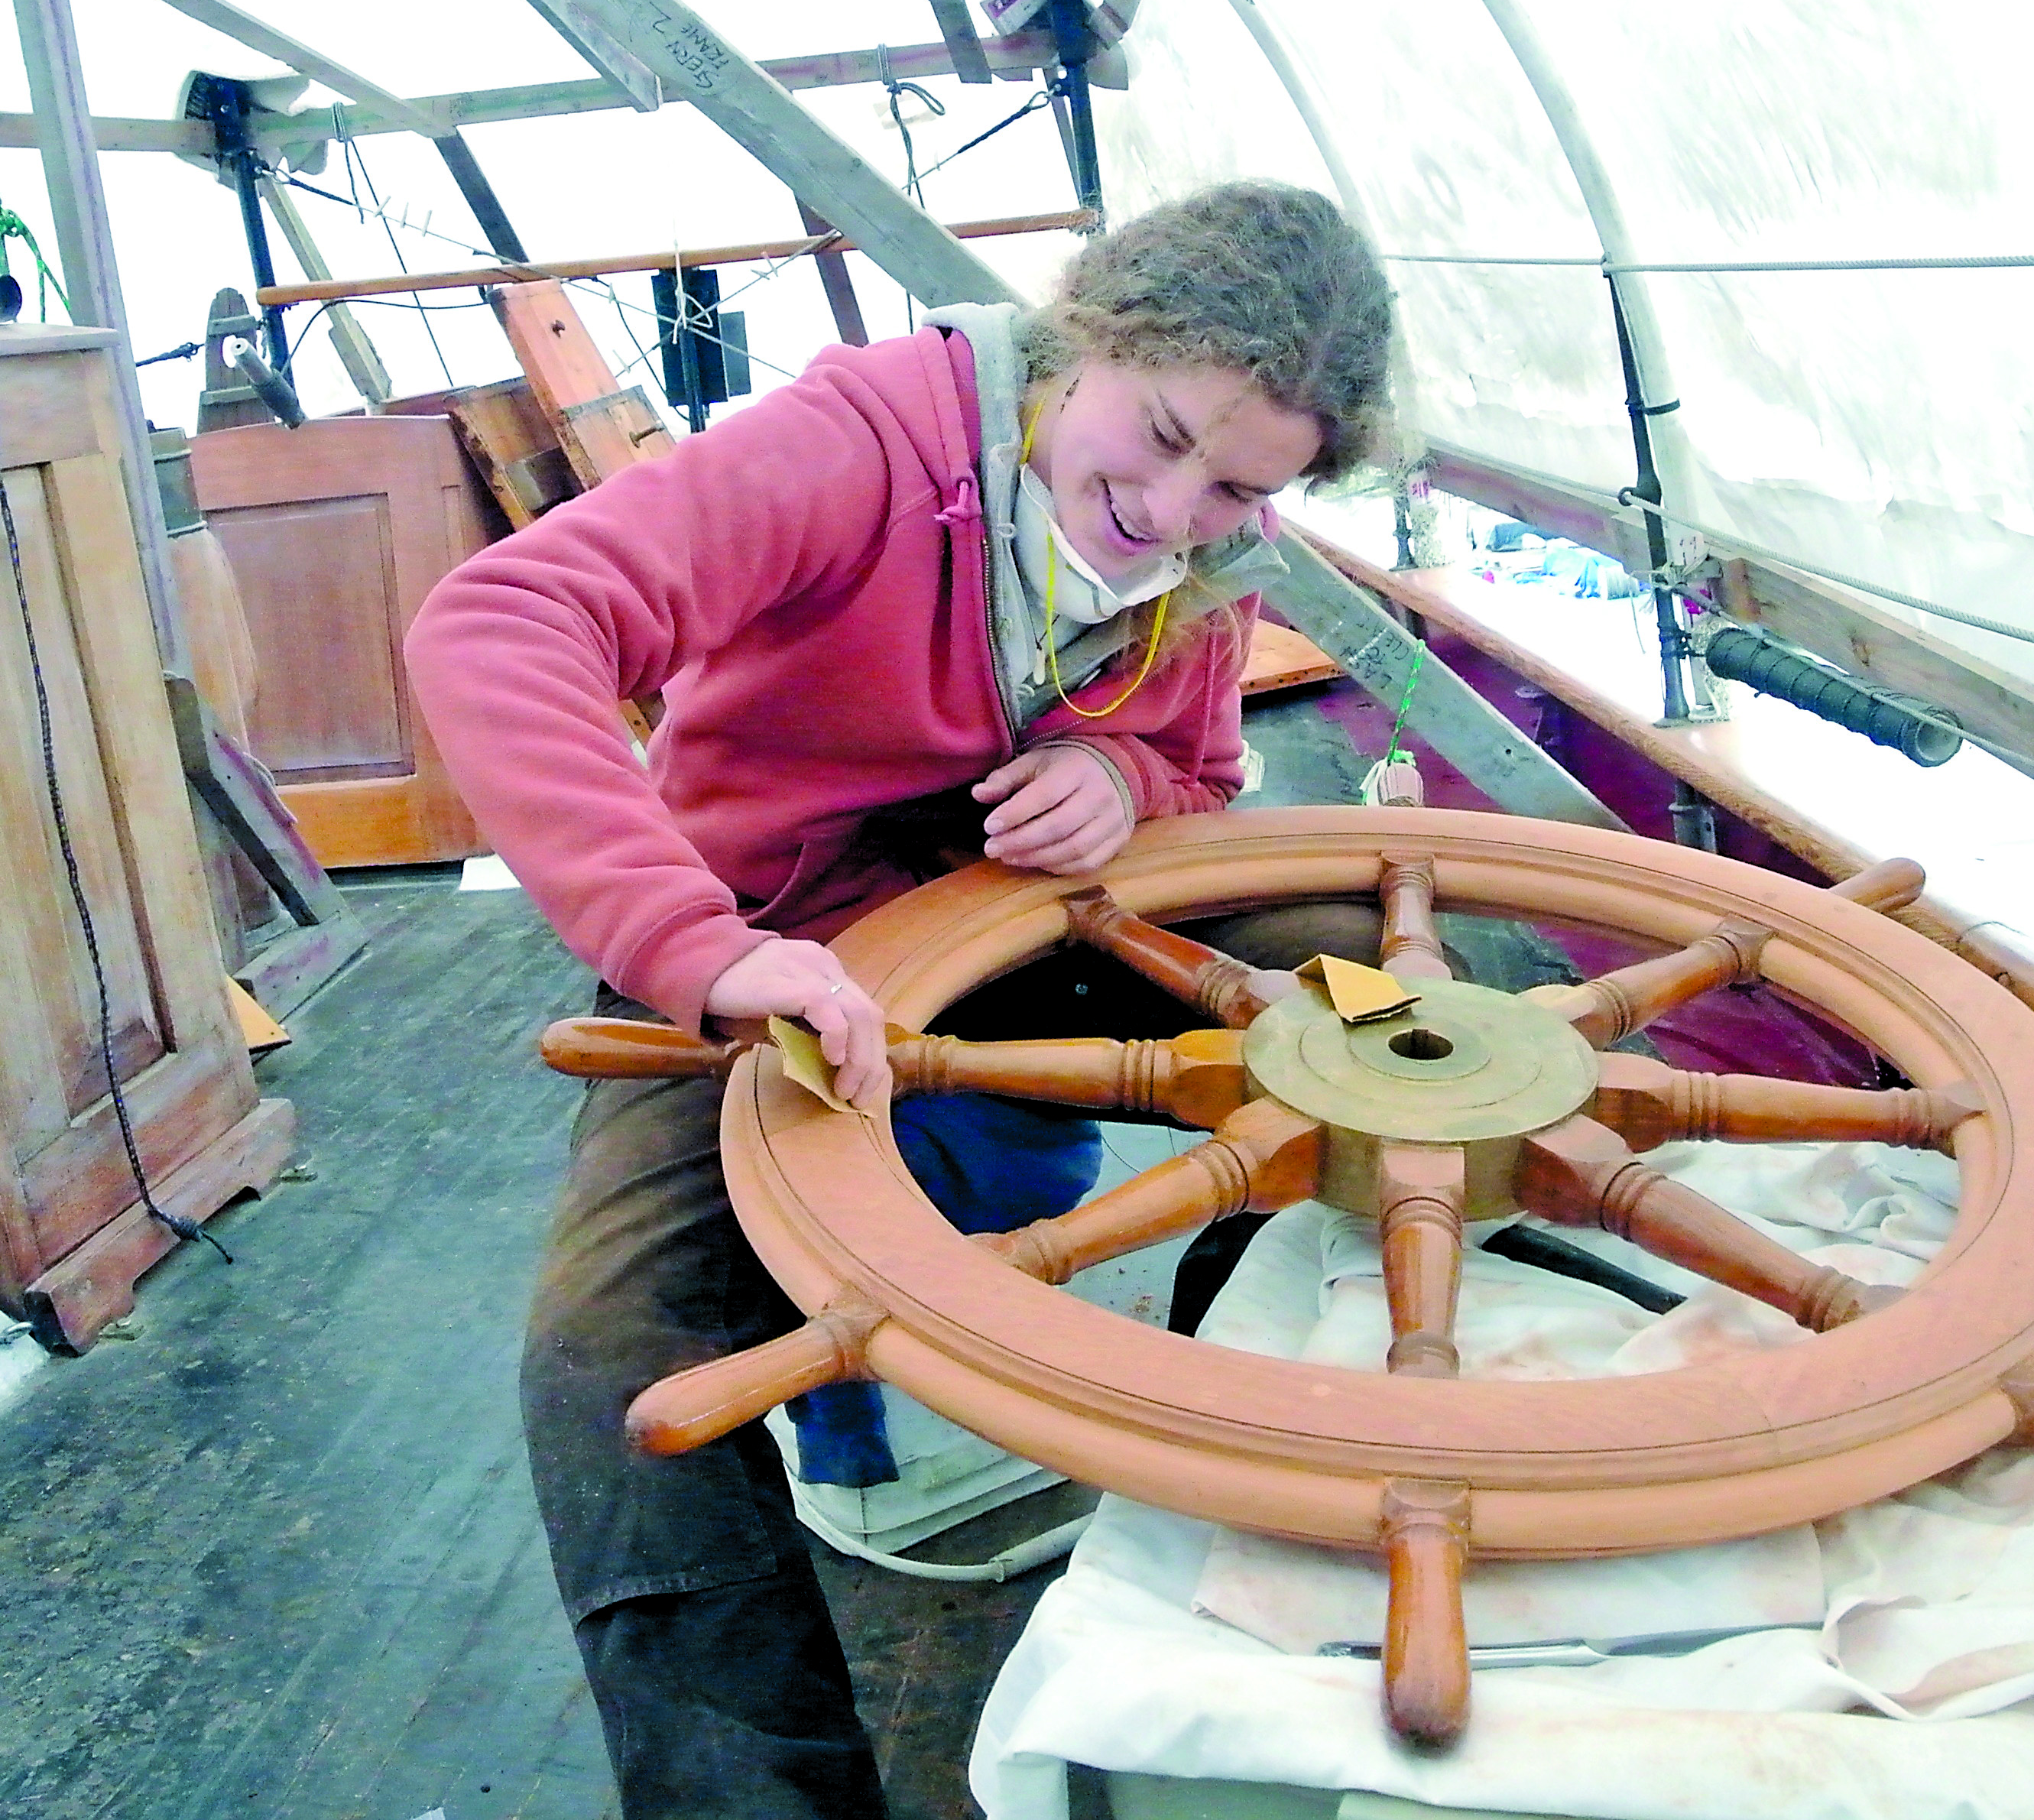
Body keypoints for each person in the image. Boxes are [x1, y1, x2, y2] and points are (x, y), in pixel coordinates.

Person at [404, 180, 1397, 1818]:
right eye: (1152, 438)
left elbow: (1207, 774)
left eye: (1236, 486)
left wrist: (1118, 770)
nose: (1166, 510)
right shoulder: (864, 443)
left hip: (1028, 923)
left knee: (1366, 983)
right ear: (1087, 338)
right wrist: (694, 947)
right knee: (613, 1350)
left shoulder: (1215, 556)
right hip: (766, 949)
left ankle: (1261, 1447)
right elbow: (503, 619)